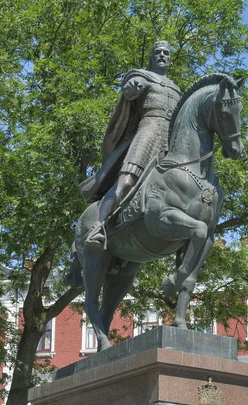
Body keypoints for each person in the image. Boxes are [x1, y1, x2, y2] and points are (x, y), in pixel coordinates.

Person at [82, 40, 181, 249]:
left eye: (166, 53)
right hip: (147, 133)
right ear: (151, 57)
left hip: (170, 142)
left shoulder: (176, 89)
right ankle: (97, 228)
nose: (163, 55)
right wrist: (131, 89)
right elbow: (130, 89)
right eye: (158, 52)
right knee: (126, 181)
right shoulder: (141, 76)